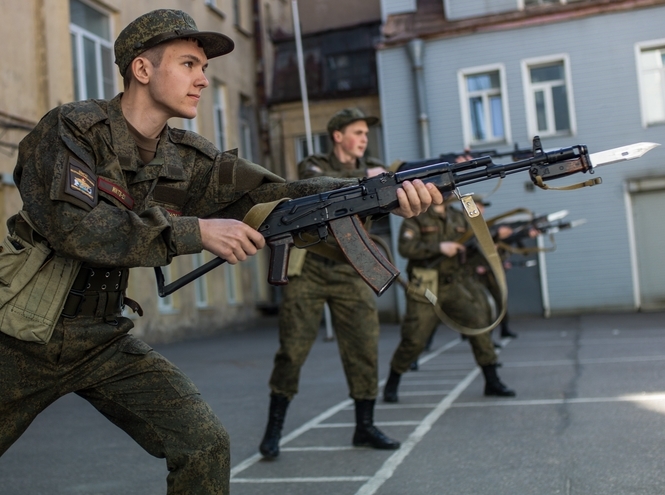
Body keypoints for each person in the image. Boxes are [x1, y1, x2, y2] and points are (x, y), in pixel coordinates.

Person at [0, 10, 442, 495]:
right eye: (190, 64)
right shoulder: (72, 130)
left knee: (204, 444)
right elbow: (77, 227)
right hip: (20, 335)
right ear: (142, 70)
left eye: (204, 68)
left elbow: (275, 196)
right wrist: (196, 231)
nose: (203, 80)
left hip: (100, 338)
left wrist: (373, 192)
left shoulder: (186, 157)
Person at [258, 108, 400, 459]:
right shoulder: (314, 164)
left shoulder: (377, 168)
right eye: (358, 132)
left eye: (366, 133)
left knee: (364, 346)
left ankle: (364, 427)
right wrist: (368, 177)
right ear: (337, 135)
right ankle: (274, 429)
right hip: (312, 269)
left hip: (352, 268)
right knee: (292, 349)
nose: (364, 139)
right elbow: (317, 187)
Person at [382, 196, 515, 404]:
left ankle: (492, 380)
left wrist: (496, 237)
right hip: (425, 286)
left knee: (478, 325)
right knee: (415, 338)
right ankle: (393, 380)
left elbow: (472, 248)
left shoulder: (457, 217)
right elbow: (405, 248)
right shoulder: (416, 218)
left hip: (454, 284)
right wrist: (439, 247)